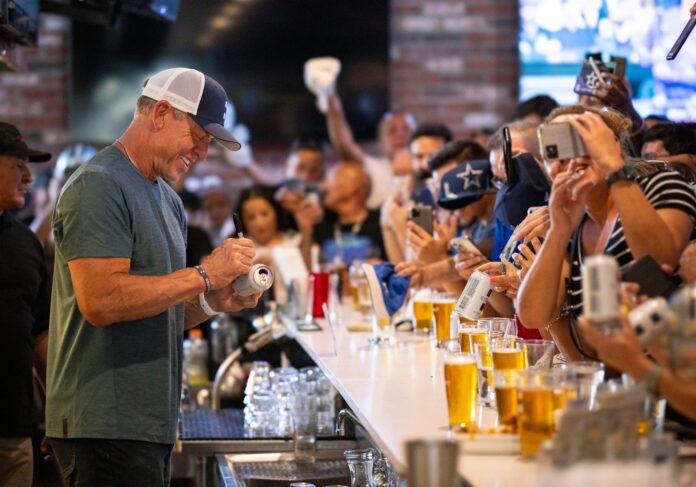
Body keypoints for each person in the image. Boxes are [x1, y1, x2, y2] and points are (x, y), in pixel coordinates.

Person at [46, 68, 260, 486]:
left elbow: (161, 312)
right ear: (161, 113)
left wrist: (214, 301)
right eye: (198, 139)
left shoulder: (168, 200)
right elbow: (102, 300)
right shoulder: (99, 185)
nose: (200, 154)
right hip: (104, 425)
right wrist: (203, 275)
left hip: (145, 426)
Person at [518, 105, 696, 362]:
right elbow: (534, 316)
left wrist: (613, 167)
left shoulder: (660, 185)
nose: (573, 161)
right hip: (621, 384)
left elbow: (659, 260)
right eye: (557, 150)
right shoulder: (575, 225)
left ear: (610, 145)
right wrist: (559, 229)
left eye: (582, 144)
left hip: (677, 381)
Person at [0, 123, 52, 487]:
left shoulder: (25, 243)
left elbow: (41, 336)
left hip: (13, 429)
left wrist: (59, 415)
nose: (29, 177)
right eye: (18, 165)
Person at [323, 91, 416, 209]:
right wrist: (334, 111)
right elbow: (345, 146)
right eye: (392, 130)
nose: (400, 135)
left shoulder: (428, 168)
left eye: (406, 129)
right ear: (381, 141)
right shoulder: (372, 168)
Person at [311, 162, 386, 264]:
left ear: (352, 188)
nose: (324, 186)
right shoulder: (323, 224)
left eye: (330, 180)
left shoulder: (381, 223)